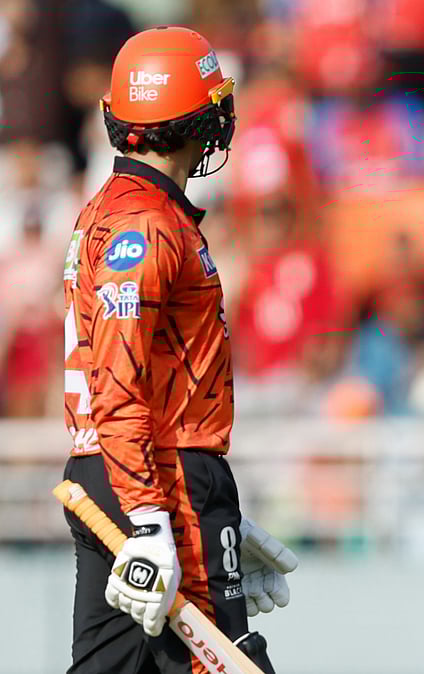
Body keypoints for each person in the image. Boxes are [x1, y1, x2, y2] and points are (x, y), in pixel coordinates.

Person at [61, 26, 297, 673]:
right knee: (226, 664)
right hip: (162, 474)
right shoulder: (147, 223)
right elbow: (119, 378)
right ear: (201, 117)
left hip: (116, 472)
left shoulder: (112, 209)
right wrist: (150, 517)